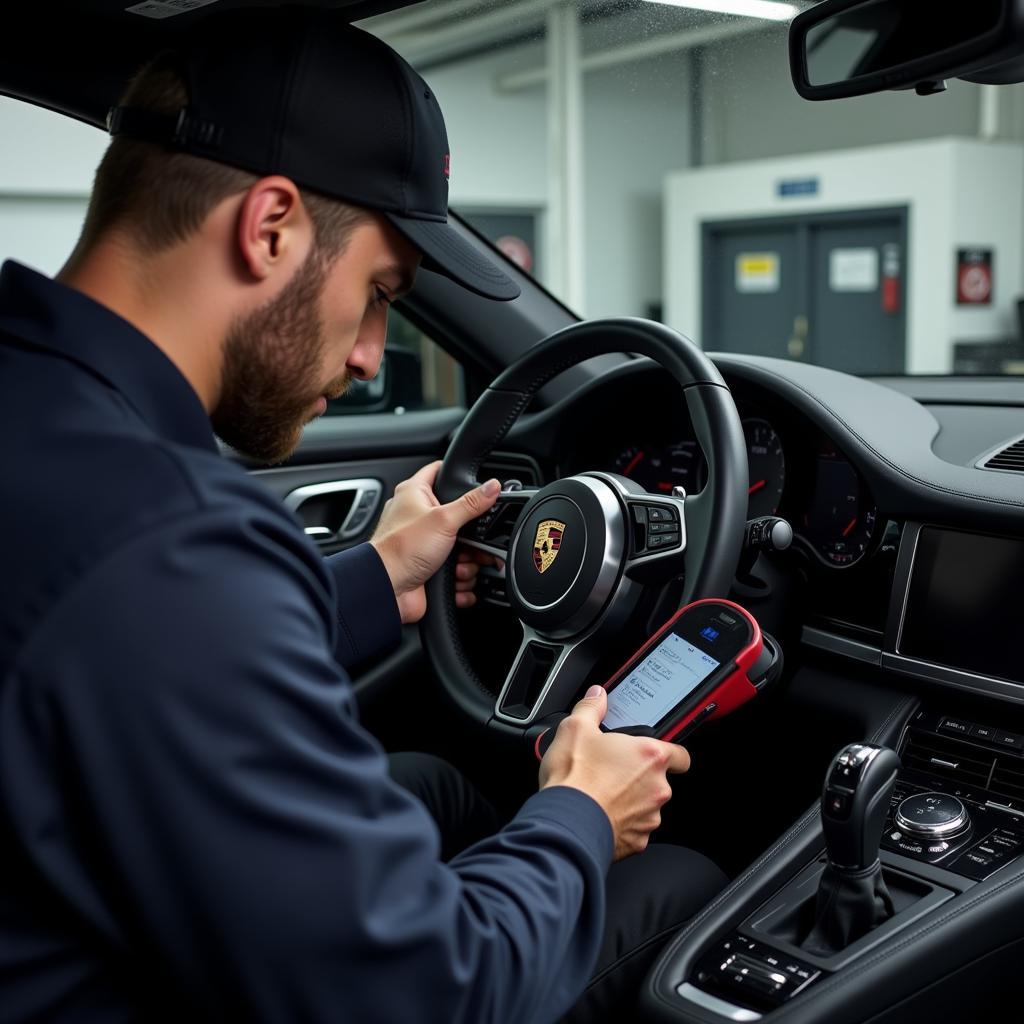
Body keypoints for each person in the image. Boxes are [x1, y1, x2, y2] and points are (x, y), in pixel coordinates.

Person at [0, 9, 726, 1022]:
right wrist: (579, 812)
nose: (366, 355)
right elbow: (424, 992)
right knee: (680, 884)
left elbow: (135, 643)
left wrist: (375, 578)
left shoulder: (52, 428)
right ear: (269, 226)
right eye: (380, 293)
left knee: (434, 787)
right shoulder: (169, 540)